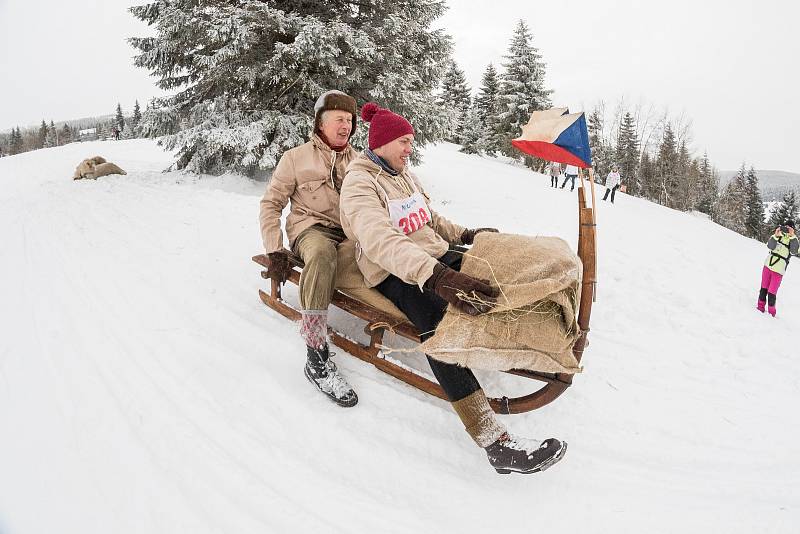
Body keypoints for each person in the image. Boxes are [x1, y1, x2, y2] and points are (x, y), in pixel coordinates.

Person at [339, 102, 567, 474]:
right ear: (382, 142)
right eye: (405, 141)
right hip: (393, 272)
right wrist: (438, 278)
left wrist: (464, 235)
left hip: (434, 257)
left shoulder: (403, 174)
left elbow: (428, 218)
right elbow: (379, 240)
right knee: (437, 327)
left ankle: (525, 335)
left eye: (411, 141)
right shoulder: (360, 183)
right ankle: (495, 443)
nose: (410, 148)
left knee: (490, 277)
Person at [259, 90, 360, 407]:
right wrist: (275, 250)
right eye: (338, 120)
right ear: (320, 123)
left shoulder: (359, 162)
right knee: (321, 254)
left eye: (350, 120)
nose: (346, 126)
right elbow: (270, 205)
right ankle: (316, 354)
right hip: (310, 230)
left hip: (348, 233)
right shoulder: (296, 158)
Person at [757, 220, 799, 317]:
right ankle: (760, 308)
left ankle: (772, 314)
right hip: (767, 266)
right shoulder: (778, 236)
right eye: (786, 227)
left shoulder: (793, 240)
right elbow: (770, 246)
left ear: (793, 229)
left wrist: (792, 236)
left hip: (779, 271)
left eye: (789, 228)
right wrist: (776, 235)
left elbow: (794, 251)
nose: (787, 229)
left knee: (772, 293)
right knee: (763, 289)